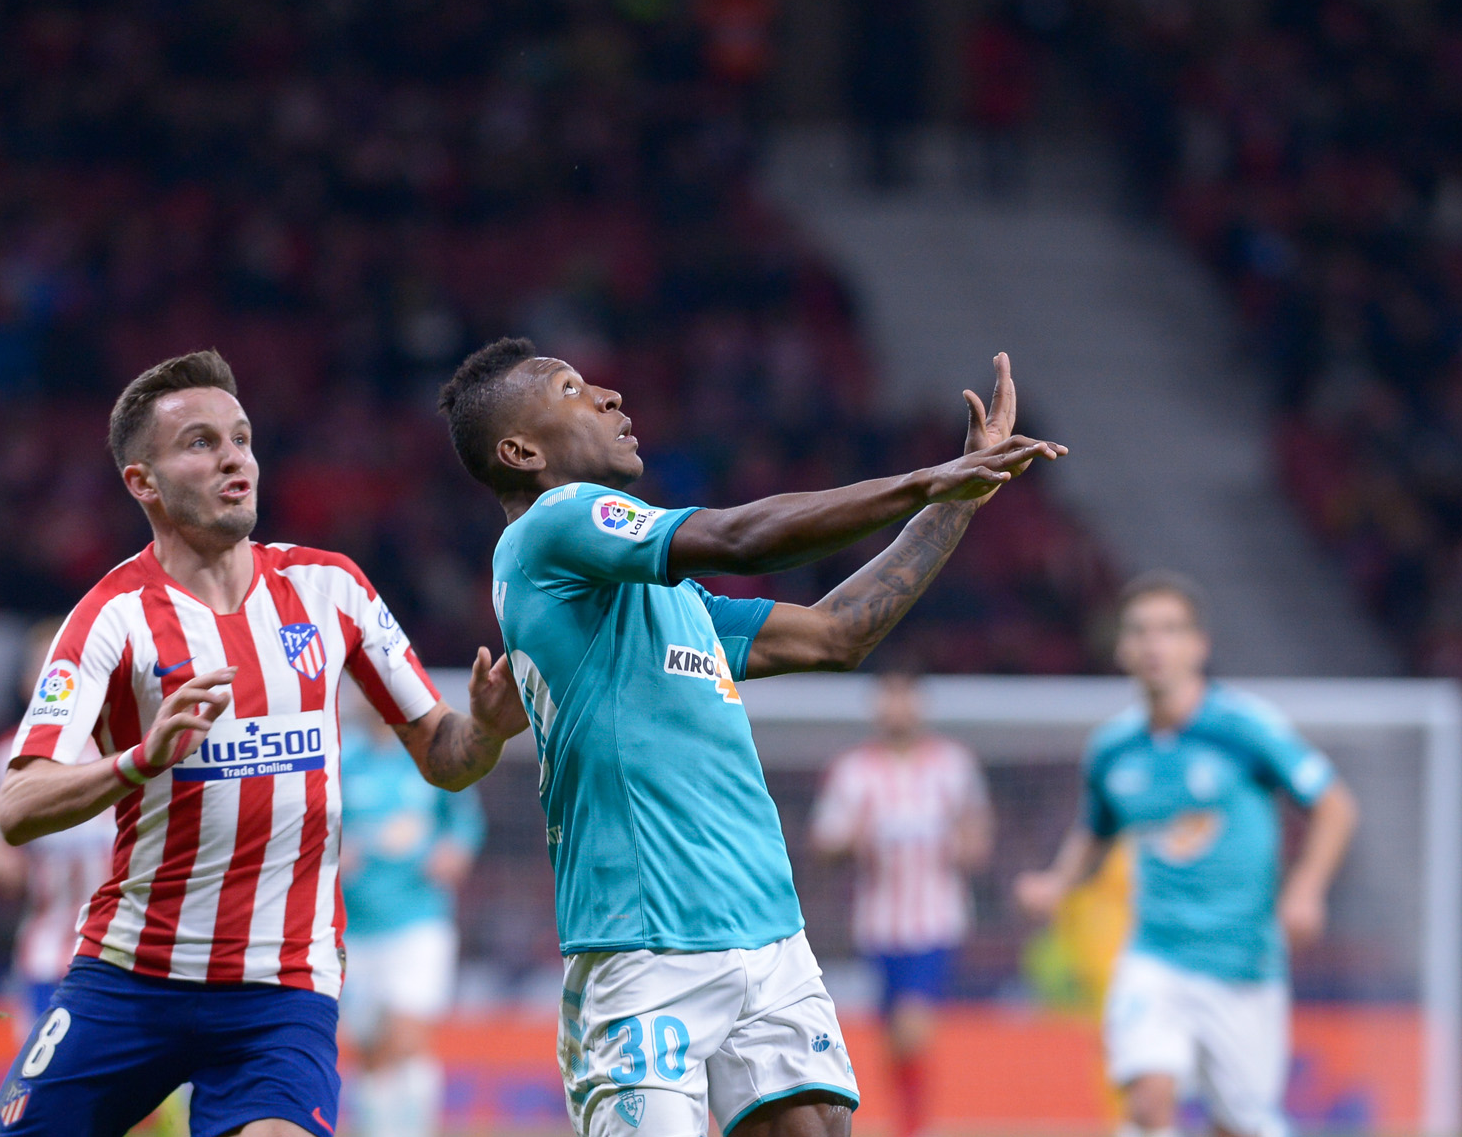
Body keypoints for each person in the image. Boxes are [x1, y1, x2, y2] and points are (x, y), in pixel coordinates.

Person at [435, 339, 1064, 1137]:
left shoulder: (669, 600)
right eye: (571, 390)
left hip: (767, 935)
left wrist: (961, 497)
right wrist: (921, 482)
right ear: (520, 451)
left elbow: (837, 635)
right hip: (644, 946)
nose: (609, 394)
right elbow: (739, 538)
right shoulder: (550, 528)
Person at [0, 350, 525, 1137]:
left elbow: (446, 757)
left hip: (282, 989)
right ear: (143, 483)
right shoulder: (110, 617)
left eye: (241, 438)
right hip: (132, 978)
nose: (234, 457)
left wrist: (486, 729)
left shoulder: (331, 588)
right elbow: (17, 807)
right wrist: (142, 758)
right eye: (200, 442)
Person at [1015, 572, 1360, 1137]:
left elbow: (1335, 806)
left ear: (1198, 645)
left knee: (1239, 1124)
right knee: (1149, 1103)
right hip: (1155, 955)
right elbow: (1096, 827)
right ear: (1123, 650)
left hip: (1243, 963)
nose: (1155, 645)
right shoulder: (1113, 749)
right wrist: (1059, 882)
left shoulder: (1243, 728)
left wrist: (1306, 888)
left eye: (1171, 630)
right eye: (1141, 631)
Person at [809, 673, 992, 1137]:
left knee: (913, 1027)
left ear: (919, 705)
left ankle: (912, 1128)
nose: (897, 709)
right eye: (888, 699)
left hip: (936, 920)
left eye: (904, 698)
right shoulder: (854, 771)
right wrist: (857, 840)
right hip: (878, 923)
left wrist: (961, 844)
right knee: (896, 1039)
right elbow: (825, 840)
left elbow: (978, 837)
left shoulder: (952, 765)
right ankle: (907, 1117)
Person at [338, 692, 486, 1137]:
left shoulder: (431, 759)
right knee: (371, 1051)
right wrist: (333, 853)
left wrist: (455, 851)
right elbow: (315, 824)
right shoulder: (343, 759)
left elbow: (464, 822)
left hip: (419, 921)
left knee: (406, 1036)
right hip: (356, 927)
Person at [0, 618, 120, 1032]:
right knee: (50, 1086)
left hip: (129, 955)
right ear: (25, 683)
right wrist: (0, 866)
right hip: (47, 957)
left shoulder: (127, 741)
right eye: (45, 669)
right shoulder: (10, 755)